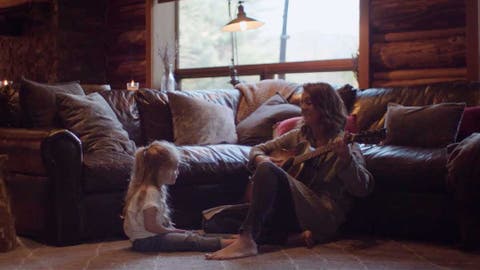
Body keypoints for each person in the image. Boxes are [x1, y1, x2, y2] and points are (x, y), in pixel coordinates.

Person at [205, 82, 374, 260]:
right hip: (291, 211)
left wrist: (346, 160)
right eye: (302, 102)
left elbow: (363, 188)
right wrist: (262, 158)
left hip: (321, 214)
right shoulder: (298, 135)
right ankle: (293, 239)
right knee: (214, 221)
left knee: (267, 171)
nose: (302, 107)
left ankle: (248, 239)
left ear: (325, 107)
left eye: (308, 102)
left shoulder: (347, 144)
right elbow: (256, 150)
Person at [123, 140, 235, 252]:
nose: (177, 172)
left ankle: (230, 239)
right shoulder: (151, 192)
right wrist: (172, 231)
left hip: (143, 240)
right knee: (190, 240)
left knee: (190, 234)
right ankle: (228, 243)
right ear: (160, 171)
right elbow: (150, 226)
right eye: (174, 168)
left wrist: (174, 231)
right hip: (148, 241)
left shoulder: (147, 189)